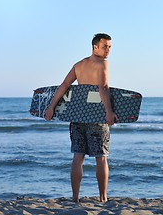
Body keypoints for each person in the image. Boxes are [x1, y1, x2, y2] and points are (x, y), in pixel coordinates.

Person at [44, 33, 118, 202]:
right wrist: (108, 112)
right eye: (105, 46)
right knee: (101, 157)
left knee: (78, 157)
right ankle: (103, 197)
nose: (108, 50)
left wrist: (51, 107)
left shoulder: (79, 65)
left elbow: (64, 85)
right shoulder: (102, 64)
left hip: (78, 117)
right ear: (95, 47)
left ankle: (75, 198)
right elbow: (104, 88)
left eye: (110, 47)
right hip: (97, 117)